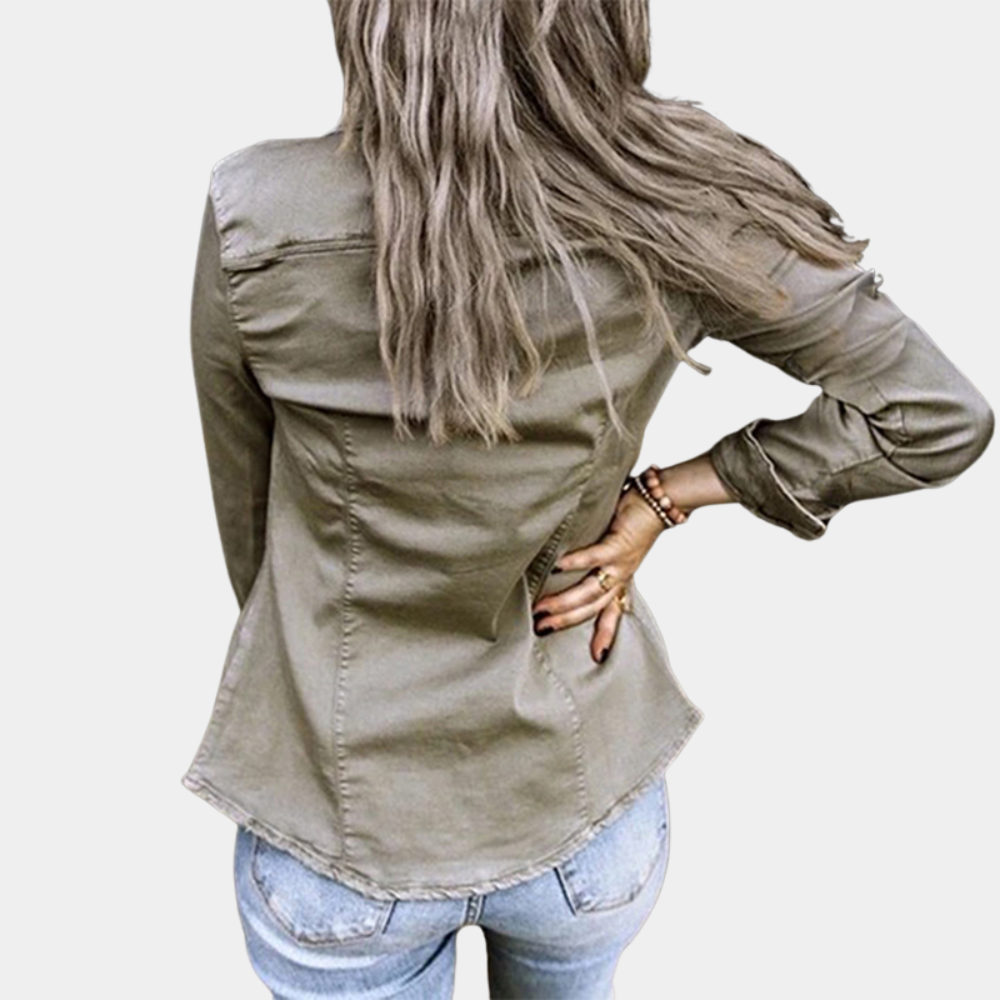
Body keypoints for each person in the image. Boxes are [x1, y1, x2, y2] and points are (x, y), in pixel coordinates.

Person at [180, 1, 994, 997]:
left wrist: (332, 665)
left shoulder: (259, 212)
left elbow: (249, 519)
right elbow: (932, 413)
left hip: (344, 823)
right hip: (582, 807)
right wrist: (668, 497)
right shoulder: (682, 197)